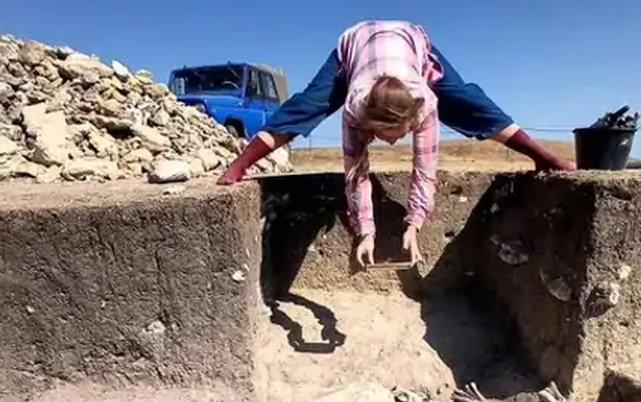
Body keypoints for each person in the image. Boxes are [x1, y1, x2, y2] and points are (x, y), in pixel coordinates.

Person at [216, 20, 574, 266]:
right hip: (355, 46)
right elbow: (356, 175)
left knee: (468, 101)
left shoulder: (425, 106)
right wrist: (366, 232)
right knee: (306, 106)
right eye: (380, 134)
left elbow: (425, 170)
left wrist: (414, 225)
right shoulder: (355, 110)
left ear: (411, 120)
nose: (388, 142)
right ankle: (240, 163)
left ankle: (542, 156)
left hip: (409, 41)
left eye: (395, 134)